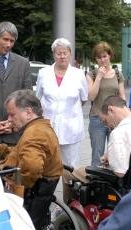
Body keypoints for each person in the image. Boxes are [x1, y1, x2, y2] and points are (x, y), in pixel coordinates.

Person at [0, 89, 62, 230]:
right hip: (44, 186)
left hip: (34, 192)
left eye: (12, 114)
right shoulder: (39, 127)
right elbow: (19, 152)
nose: (9, 119)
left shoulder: (34, 134)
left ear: (28, 112)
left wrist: (12, 179)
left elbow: (31, 169)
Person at [62, 96, 131, 203]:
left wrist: (110, 163)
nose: (107, 126)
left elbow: (120, 172)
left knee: (66, 172)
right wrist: (111, 155)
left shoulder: (118, 133)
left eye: (105, 121)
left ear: (111, 110)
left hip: (121, 180)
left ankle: (68, 208)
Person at [36, 38, 88, 167]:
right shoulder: (43, 73)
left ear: (70, 54)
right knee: (47, 166)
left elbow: (83, 98)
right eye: (58, 53)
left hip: (71, 128)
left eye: (65, 53)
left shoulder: (79, 74)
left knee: (70, 168)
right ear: (54, 55)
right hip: (48, 127)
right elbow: (38, 98)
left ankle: (68, 188)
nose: (62, 56)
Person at [87, 41, 126, 167]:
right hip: (97, 118)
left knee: (114, 153)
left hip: (114, 118)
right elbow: (91, 96)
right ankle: (94, 182)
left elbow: (122, 96)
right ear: (96, 59)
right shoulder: (92, 74)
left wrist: (125, 115)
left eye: (105, 56)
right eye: (99, 57)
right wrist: (99, 77)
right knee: (97, 155)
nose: (102, 60)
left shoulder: (118, 74)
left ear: (110, 56)